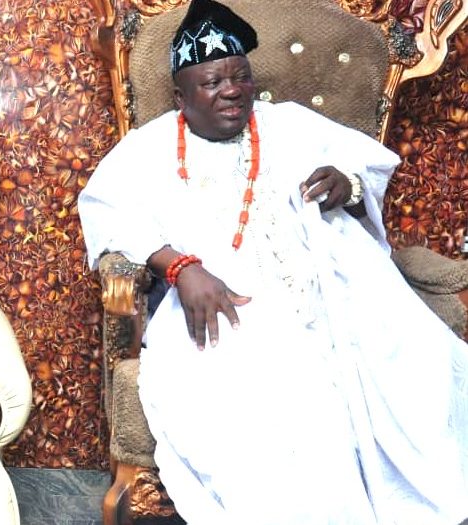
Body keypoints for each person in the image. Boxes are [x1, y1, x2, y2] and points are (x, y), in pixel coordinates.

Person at [78, 0, 468, 523]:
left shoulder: (288, 123)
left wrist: (346, 183)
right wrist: (178, 267)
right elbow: (106, 211)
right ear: (180, 96)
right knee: (269, 409)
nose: (232, 91)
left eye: (241, 77)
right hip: (225, 302)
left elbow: (367, 167)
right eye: (213, 82)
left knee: (413, 362)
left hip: (332, 283)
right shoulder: (147, 148)